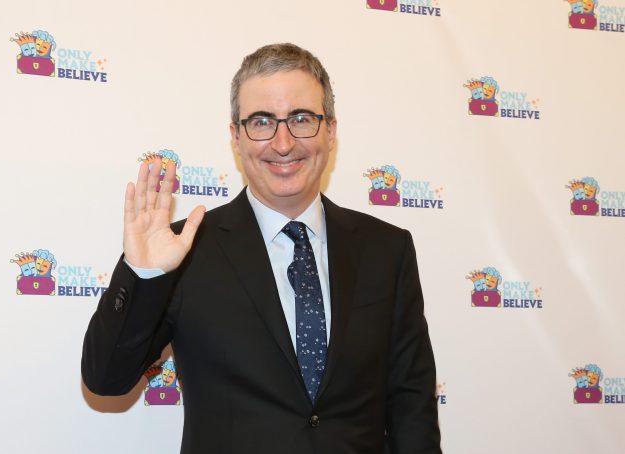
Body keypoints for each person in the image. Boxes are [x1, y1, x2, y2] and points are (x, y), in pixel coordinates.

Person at [82, 43, 441, 453]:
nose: (283, 143)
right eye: (261, 122)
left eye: (302, 119)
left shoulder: (387, 249)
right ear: (236, 136)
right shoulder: (184, 250)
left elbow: (412, 408)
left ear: (331, 130)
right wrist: (144, 275)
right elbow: (105, 378)